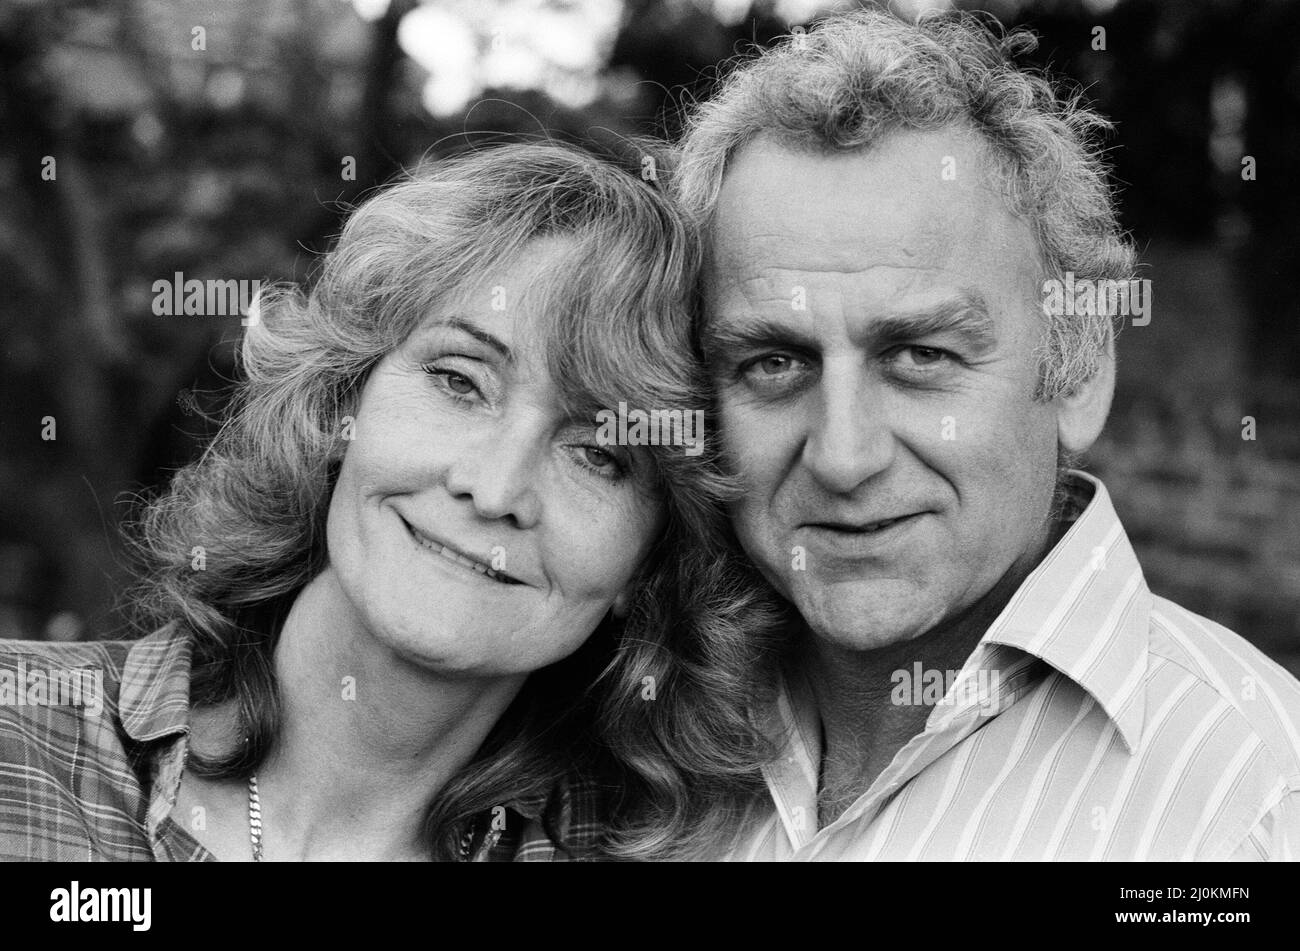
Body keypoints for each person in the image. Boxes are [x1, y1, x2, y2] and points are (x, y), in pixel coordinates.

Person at [0, 141, 777, 861]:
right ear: (343, 403)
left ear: (652, 563)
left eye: (600, 453)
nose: (496, 487)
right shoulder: (20, 739)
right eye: (459, 380)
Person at [667, 9, 1300, 860]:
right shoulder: (628, 738)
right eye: (774, 363)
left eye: (920, 354)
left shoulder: (1256, 805)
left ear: (1077, 372)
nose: (844, 456)